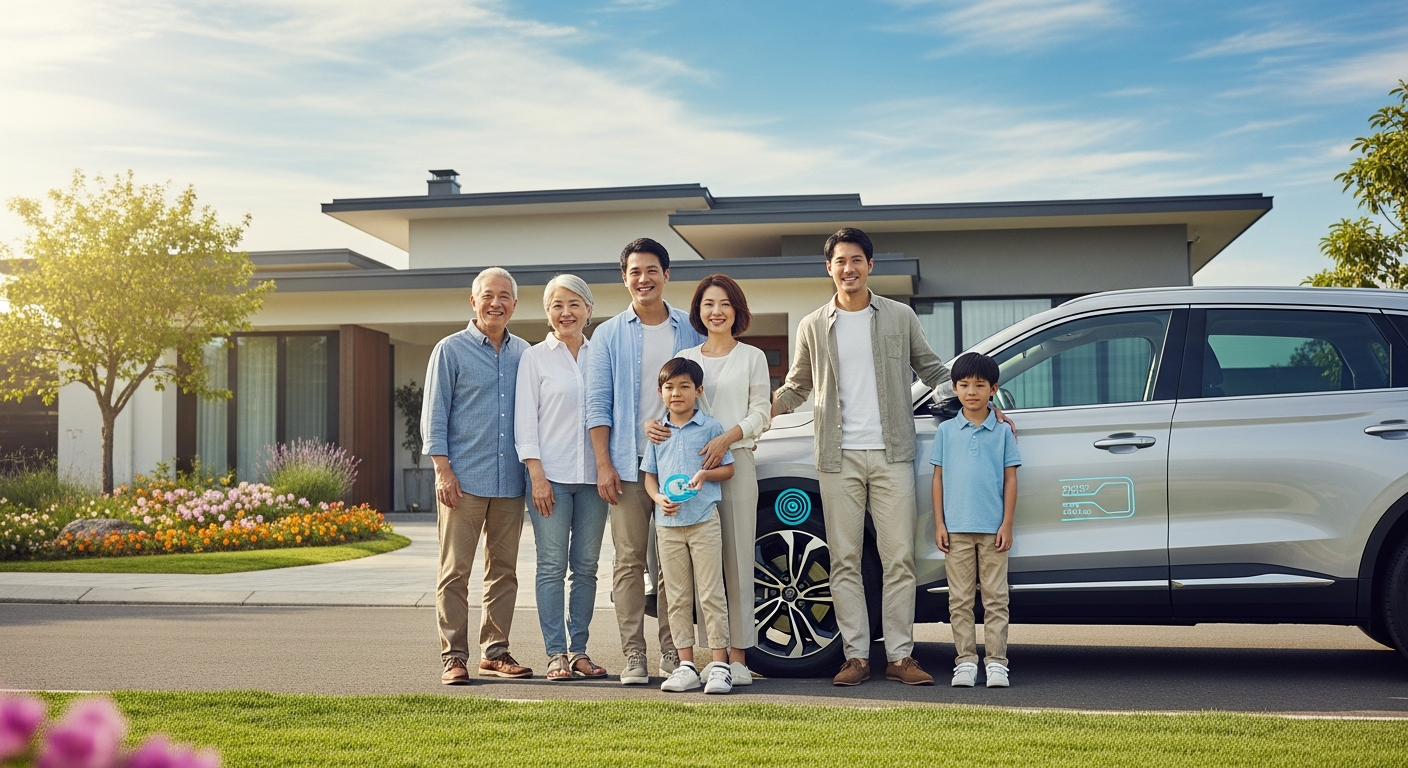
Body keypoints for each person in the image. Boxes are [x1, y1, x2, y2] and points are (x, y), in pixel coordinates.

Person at [773, 226, 1012, 687]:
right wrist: (760, 411)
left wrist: (990, 407)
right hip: (836, 456)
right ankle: (856, 656)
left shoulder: (899, 316)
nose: (849, 268)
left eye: (856, 260)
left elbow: (936, 370)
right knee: (844, 559)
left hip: (893, 454)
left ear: (870, 265)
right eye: (840, 261)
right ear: (829, 268)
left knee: (898, 558)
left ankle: (900, 656)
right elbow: (797, 386)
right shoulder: (811, 325)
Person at [585, 238, 706, 685]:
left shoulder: (690, 331)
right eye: (635, 271)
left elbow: (701, 398)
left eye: (652, 270)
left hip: (678, 467)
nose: (644, 279)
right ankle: (633, 655)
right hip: (627, 465)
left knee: (675, 562)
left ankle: (674, 652)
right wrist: (603, 464)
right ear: (625, 278)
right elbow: (597, 405)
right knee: (629, 561)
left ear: (666, 274)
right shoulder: (608, 334)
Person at [646, 274, 770, 685]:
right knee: (694, 573)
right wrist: (651, 426)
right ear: (698, 312)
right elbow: (667, 405)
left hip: (735, 464)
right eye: (707, 305)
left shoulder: (752, 356)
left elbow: (761, 413)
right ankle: (699, 657)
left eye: (724, 305)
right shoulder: (685, 354)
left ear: (737, 310)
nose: (716, 312)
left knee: (734, 563)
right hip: (686, 477)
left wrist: (727, 438)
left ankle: (736, 657)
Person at [423, 267, 533, 685]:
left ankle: (496, 651)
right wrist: (442, 470)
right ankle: (453, 656)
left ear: (514, 305)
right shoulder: (449, 350)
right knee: (455, 572)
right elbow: (434, 415)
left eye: (504, 296)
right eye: (488, 295)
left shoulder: (526, 352)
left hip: (510, 482)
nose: (496, 303)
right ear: (474, 301)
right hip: (462, 482)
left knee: (503, 571)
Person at [514, 275, 610, 682]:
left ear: (589, 309)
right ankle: (555, 654)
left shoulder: (601, 353)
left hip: (594, 478)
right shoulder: (534, 358)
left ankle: (580, 652)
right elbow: (525, 421)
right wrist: (536, 474)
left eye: (574, 304)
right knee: (551, 566)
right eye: (556, 305)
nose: (565, 312)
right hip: (549, 478)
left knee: (586, 568)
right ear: (547, 312)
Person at [641, 357, 736, 694]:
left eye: (684, 387)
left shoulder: (711, 428)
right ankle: (686, 666)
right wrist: (657, 498)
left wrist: (704, 475)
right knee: (677, 597)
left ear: (698, 391)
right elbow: (650, 477)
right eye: (669, 387)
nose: (676, 393)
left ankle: (720, 664)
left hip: (703, 520)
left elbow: (728, 469)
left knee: (711, 593)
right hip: (667, 525)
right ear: (660, 392)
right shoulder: (658, 432)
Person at [930, 352, 1020, 689]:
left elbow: (1011, 479)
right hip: (956, 531)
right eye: (964, 385)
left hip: (993, 530)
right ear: (954, 388)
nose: (971, 392)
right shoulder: (946, 433)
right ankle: (965, 661)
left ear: (993, 389)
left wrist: (1007, 523)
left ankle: (997, 662)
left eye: (980, 385)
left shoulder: (1003, 432)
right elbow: (937, 479)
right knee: (960, 600)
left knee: (996, 598)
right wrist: (940, 524)